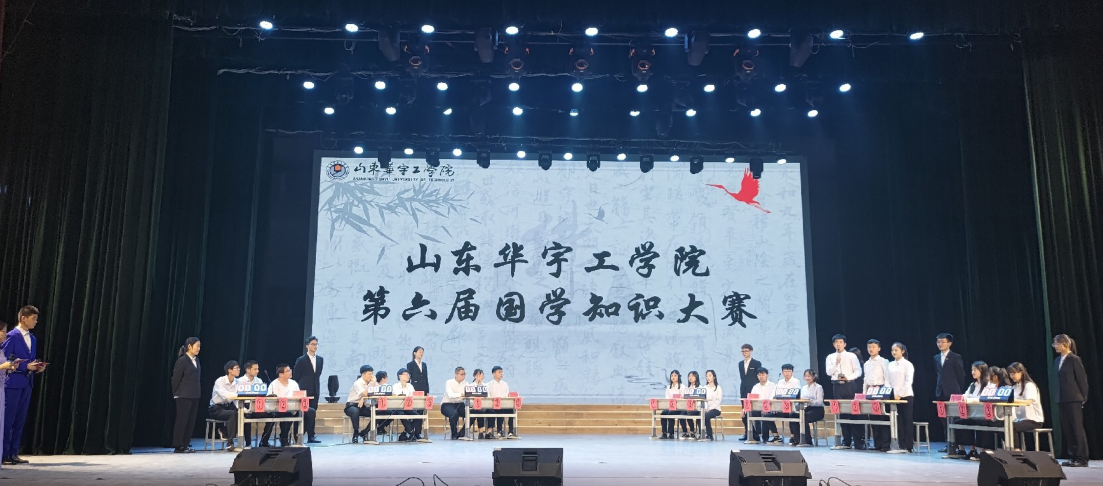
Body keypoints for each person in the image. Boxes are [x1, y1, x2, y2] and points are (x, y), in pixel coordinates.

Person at [1052, 334, 1089, 467]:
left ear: (1065, 344)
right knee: (1067, 428)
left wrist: (1083, 397)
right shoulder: (1057, 360)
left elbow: (1082, 380)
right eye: (1054, 344)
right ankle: (1072, 456)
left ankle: (1081, 457)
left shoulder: (1074, 359)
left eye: (1057, 344)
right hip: (1062, 398)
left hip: (1074, 398)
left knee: (1076, 427)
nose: (1055, 346)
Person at [825, 334, 864, 449]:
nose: (838, 344)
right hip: (837, 386)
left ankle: (858, 441)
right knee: (842, 413)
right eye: (836, 342)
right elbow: (828, 372)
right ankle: (846, 441)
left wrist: (848, 377)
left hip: (850, 385)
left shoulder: (851, 356)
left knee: (854, 412)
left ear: (845, 344)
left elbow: (858, 371)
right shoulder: (830, 357)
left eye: (840, 342)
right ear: (833, 344)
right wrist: (836, 363)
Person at [0, 320, 27, 467]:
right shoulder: (12, 337)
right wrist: (4, 366)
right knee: (6, 420)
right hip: (8, 386)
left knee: (12, 420)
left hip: (4, 385)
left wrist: (11, 367)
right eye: (3, 331)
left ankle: (10, 452)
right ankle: (5, 453)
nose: (5, 334)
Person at [934, 332, 966, 453]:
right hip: (940, 391)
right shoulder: (936, 357)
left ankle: (959, 445)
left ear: (949, 343)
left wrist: (958, 390)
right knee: (943, 419)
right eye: (938, 342)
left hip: (953, 392)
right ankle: (949, 443)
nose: (940, 344)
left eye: (943, 342)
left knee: (956, 418)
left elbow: (961, 375)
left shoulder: (955, 357)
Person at [169, 336, 201, 454]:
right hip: (183, 395)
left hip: (194, 394)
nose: (198, 348)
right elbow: (175, 379)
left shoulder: (196, 360)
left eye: (199, 346)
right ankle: (178, 445)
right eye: (197, 346)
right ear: (189, 346)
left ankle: (186, 444)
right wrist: (176, 393)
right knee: (182, 421)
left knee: (190, 422)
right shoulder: (182, 360)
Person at [956, 361, 991, 458]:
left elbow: (984, 398)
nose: (973, 372)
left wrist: (969, 399)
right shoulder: (973, 385)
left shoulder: (989, 385)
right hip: (973, 414)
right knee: (959, 422)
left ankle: (982, 451)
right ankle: (971, 450)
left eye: (975, 370)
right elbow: (965, 396)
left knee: (980, 423)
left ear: (982, 371)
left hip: (984, 414)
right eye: (972, 370)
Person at [292, 336, 323, 444]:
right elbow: (296, 376)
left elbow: (318, 374)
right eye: (312, 344)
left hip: (315, 389)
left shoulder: (320, 359)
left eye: (316, 344)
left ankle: (311, 436)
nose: (315, 346)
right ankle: (296, 435)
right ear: (307, 346)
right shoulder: (301, 360)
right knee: (301, 413)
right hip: (303, 389)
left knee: (313, 412)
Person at [1007, 362, 1043, 451]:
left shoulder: (1029, 385)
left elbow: (1028, 402)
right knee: (1004, 425)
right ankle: (1009, 449)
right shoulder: (1014, 387)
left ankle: (1017, 451)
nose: (1012, 376)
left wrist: (1013, 400)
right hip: (1020, 419)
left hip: (1033, 420)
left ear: (1021, 373)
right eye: (1010, 374)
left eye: (1014, 373)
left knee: (1011, 427)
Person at [264, 364, 302, 447]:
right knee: (281, 414)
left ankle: (293, 438)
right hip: (276, 409)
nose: (290, 372)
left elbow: (299, 395)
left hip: (292, 408)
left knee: (309, 412)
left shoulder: (294, 383)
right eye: (288, 371)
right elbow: (269, 399)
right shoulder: (273, 384)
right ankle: (265, 440)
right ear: (281, 374)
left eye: (290, 370)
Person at [208, 361, 242, 452]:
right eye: (237, 368)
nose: (239, 370)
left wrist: (242, 409)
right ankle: (230, 443)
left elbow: (237, 399)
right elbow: (225, 395)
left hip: (227, 407)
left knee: (241, 414)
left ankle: (225, 430)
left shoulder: (238, 382)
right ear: (229, 370)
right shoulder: (220, 381)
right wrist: (237, 395)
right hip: (216, 408)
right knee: (232, 414)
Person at [887, 343, 915, 452]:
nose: (894, 352)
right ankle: (900, 444)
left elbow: (908, 381)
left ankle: (908, 446)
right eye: (892, 350)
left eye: (896, 350)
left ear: (902, 351)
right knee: (897, 421)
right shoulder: (890, 364)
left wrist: (900, 394)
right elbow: (887, 381)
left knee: (906, 420)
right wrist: (891, 392)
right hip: (893, 397)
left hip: (906, 396)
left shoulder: (907, 364)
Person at [864, 339, 891, 451]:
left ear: (879, 348)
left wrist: (885, 393)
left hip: (881, 389)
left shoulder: (884, 361)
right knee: (873, 418)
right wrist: (864, 394)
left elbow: (887, 378)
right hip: (870, 391)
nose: (871, 349)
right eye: (869, 347)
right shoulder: (866, 363)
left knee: (883, 418)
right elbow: (865, 380)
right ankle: (877, 444)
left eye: (874, 347)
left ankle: (885, 444)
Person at [792, 369, 825, 446]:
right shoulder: (803, 388)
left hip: (818, 409)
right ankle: (797, 439)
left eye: (809, 376)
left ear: (813, 377)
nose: (807, 378)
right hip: (806, 408)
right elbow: (802, 400)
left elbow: (820, 402)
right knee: (793, 415)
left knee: (804, 417)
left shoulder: (818, 387)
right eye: (806, 376)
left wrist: (810, 401)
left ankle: (807, 441)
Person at [343, 365, 375, 443]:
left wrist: (363, 398)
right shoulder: (357, 383)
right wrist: (373, 384)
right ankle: (356, 432)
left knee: (376, 414)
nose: (371, 376)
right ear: (363, 375)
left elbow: (376, 393)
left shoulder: (370, 383)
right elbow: (365, 393)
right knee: (355, 411)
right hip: (351, 405)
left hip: (362, 406)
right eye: (369, 374)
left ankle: (365, 432)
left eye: (372, 374)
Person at [745, 368, 778, 443]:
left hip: (770, 408)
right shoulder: (755, 386)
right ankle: (755, 436)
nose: (761, 376)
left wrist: (765, 408)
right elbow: (751, 398)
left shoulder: (773, 386)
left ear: (767, 375)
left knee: (765, 414)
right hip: (757, 408)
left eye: (763, 374)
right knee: (746, 415)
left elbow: (772, 398)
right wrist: (744, 409)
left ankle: (765, 437)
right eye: (759, 375)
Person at [237, 360, 266, 442]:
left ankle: (264, 441)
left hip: (257, 406)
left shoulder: (259, 381)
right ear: (248, 370)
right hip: (244, 405)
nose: (257, 371)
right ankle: (248, 443)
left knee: (272, 416)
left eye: (258, 369)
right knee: (246, 417)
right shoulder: (240, 381)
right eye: (255, 369)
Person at [737, 344, 762, 440]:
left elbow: (758, 377)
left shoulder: (756, 363)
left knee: (755, 411)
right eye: (743, 351)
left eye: (746, 351)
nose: (744, 353)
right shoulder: (740, 364)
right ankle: (748, 432)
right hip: (744, 390)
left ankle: (758, 433)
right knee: (744, 412)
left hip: (753, 390)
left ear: (751, 351)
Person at [775, 364, 801, 444]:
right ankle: (776, 436)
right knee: (767, 415)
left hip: (793, 407)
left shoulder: (796, 381)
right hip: (781, 407)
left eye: (789, 371)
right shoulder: (780, 382)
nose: (787, 373)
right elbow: (776, 394)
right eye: (785, 371)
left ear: (792, 372)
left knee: (792, 415)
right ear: (782, 372)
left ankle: (793, 437)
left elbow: (796, 394)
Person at [392, 368, 420, 442]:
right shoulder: (395, 386)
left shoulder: (410, 386)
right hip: (397, 407)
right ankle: (411, 433)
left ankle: (404, 433)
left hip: (407, 407)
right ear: (400, 376)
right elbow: (395, 397)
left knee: (418, 416)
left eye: (409, 375)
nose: (408, 376)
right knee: (402, 415)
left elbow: (413, 396)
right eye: (406, 374)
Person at [487, 366, 515, 438]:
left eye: (502, 372)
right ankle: (499, 431)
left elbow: (507, 396)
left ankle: (511, 431)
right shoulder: (488, 385)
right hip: (492, 406)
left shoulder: (505, 384)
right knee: (498, 410)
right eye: (499, 372)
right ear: (494, 374)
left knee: (511, 410)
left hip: (503, 405)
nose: (501, 374)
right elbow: (488, 397)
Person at [441, 367, 468, 439]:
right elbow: (451, 395)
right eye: (462, 374)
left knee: (471, 413)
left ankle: (462, 432)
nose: (463, 376)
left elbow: (468, 394)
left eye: (464, 374)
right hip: (447, 404)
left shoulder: (466, 383)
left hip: (460, 404)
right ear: (456, 374)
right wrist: (461, 394)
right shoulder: (449, 382)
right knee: (454, 414)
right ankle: (454, 434)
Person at [660, 370, 686, 440]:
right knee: (663, 413)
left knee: (670, 413)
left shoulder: (682, 386)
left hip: (679, 408)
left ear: (678, 377)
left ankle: (671, 433)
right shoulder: (668, 387)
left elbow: (683, 398)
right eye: (672, 376)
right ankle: (664, 433)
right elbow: (667, 398)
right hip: (670, 406)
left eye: (675, 375)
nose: (673, 377)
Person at [702, 370, 723, 441]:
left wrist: (710, 408)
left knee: (706, 416)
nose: (708, 377)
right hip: (707, 408)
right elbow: (703, 399)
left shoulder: (718, 388)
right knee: (701, 414)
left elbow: (718, 401)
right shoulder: (705, 387)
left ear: (714, 377)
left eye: (710, 375)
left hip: (716, 409)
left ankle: (709, 435)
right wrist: (705, 408)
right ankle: (701, 433)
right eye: (706, 376)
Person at [681, 371, 702, 438]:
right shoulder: (687, 389)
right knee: (682, 415)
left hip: (697, 408)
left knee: (689, 413)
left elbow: (701, 399)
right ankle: (686, 432)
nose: (690, 378)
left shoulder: (700, 388)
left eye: (692, 376)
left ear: (696, 377)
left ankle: (695, 432)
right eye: (689, 376)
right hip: (689, 407)